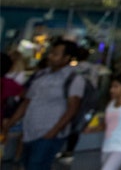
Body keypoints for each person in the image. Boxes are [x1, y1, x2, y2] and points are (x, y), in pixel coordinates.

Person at [0, 39, 85, 170]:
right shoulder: (41, 75)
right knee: (27, 165)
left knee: (37, 166)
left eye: (56, 54)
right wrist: (10, 124)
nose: (50, 56)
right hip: (30, 132)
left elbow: (72, 109)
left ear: (66, 58)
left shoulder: (74, 79)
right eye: (51, 53)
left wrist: (53, 132)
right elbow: (27, 102)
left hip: (49, 134)